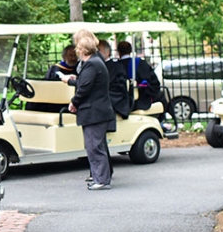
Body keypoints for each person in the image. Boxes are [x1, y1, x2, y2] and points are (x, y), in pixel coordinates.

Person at [68, 30, 115, 190]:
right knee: (96, 145)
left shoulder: (92, 64)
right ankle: (99, 177)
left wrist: (74, 102)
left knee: (94, 146)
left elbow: (84, 88)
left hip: (94, 112)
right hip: (97, 111)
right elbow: (85, 83)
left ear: (82, 50)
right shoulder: (97, 62)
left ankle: (101, 180)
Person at [116, 40, 163, 112]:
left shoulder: (115, 66)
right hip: (140, 101)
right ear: (130, 51)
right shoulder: (141, 63)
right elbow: (155, 84)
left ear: (118, 52)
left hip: (119, 103)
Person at [98, 39, 131, 119]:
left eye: (99, 50)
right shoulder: (91, 67)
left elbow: (119, 89)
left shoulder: (117, 68)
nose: (96, 53)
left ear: (107, 52)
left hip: (110, 101)